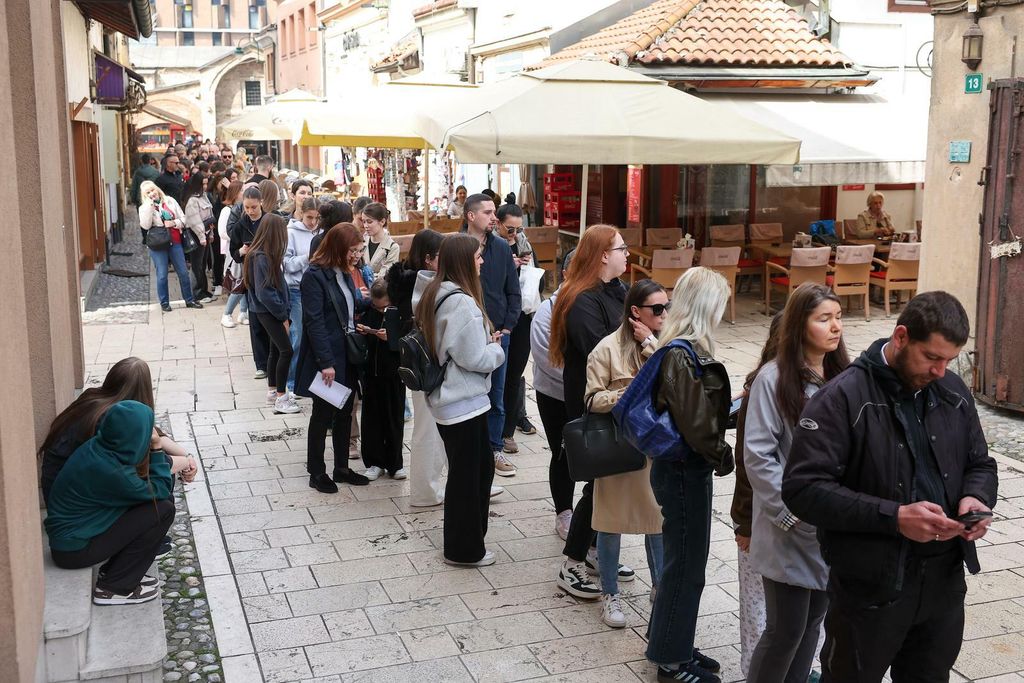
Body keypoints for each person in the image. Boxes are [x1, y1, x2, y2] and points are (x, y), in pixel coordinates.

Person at [783, 291, 999, 683]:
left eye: (949, 360)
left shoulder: (951, 390)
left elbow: (980, 463)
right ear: (900, 337)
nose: (940, 370)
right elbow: (803, 490)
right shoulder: (841, 399)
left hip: (943, 581)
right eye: (932, 357)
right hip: (870, 587)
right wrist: (895, 517)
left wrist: (975, 497)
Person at [744, 284, 849, 682]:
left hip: (830, 518)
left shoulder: (844, 375)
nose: (835, 326)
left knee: (813, 623)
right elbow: (757, 455)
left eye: (838, 317)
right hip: (789, 522)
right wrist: (790, 513)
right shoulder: (773, 379)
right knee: (785, 627)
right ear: (798, 323)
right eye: (824, 318)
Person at [644, 267, 734, 683]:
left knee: (684, 564)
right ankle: (671, 663)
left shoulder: (680, 349)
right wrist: (723, 455)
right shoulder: (683, 353)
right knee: (684, 566)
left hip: (680, 469)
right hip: (683, 471)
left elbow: (697, 414)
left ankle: (674, 643)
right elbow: (697, 426)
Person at [549, 224, 629, 600]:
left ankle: (596, 550)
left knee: (609, 481)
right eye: (621, 248)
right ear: (602, 255)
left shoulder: (616, 290)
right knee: (599, 482)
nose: (627, 254)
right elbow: (604, 349)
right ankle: (572, 562)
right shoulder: (581, 299)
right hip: (594, 400)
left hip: (617, 398)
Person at [416, 233, 505, 566]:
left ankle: (464, 545)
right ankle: (464, 550)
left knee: (468, 474)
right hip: (462, 402)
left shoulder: (435, 291)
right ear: (465, 262)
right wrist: (495, 349)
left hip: (448, 400)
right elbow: (473, 357)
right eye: (478, 257)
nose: (482, 262)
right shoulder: (462, 302)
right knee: (471, 478)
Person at [585, 279, 668, 628]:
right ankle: (609, 592)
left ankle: (661, 587)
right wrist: (626, 395)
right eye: (658, 309)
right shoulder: (606, 349)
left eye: (667, 307)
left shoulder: (665, 344)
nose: (665, 315)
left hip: (655, 447)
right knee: (610, 523)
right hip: (618, 451)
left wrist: (652, 348)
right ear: (636, 311)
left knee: (658, 522)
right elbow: (591, 399)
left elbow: (678, 383)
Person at [45, 401, 180, 605]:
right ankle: (113, 589)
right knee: (163, 508)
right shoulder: (113, 471)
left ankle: (116, 573)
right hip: (74, 550)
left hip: (76, 536)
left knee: (160, 504)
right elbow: (159, 490)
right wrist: (156, 448)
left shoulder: (100, 446)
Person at [39, 357, 196, 506]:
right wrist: (185, 463)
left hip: (64, 490)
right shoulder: (106, 418)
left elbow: (154, 434)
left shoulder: (94, 398)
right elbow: (145, 467)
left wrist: (185, 455)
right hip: (72, 500)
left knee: (161, 477)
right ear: (144, 391)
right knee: (161, 489)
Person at [295, 224, 371, 491]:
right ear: (338, 248)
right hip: (328, 357)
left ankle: (342, 468)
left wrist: (376, 300)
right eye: (352, 250)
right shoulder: (314, 277)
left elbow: (348, 305)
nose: (356, 256)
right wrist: (326, 363)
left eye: (359, 251)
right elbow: (314, 322)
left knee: (345, 411)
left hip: (347, 354)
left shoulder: (345, 272)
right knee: (323, 414)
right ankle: (316, 472)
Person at [731, 313, 783, 678]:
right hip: (762, 521)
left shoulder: (830, 385)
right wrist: (745, 523)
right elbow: (748, 465)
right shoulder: (762, 389)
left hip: (808, 528)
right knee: (759, 612)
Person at [462, 193, 522, 477]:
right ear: (471, 216)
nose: (494, 217)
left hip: (499, 333)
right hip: (466, 333)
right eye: (487, 212)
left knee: (496, 395)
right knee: (469, 393)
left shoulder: (500, 248)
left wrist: (508, 325)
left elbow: (513, 290)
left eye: (493, 212)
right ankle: (470, 450)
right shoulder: (456, 246)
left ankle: (494, 449)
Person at [390, 229, 447, 506]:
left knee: (434, 425)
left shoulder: (408, 280)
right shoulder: (421, 284)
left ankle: (434, 485)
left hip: (419, 361)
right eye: (441, 256)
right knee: (426, 426)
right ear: (428, 259)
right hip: (424, 362)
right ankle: (425, 491)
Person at [243, 213, 300, 415]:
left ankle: (274, 391)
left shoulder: (263, 254)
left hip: (267, 310)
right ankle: (281, 397)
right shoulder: (261, 257)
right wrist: (283, 314)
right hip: (268, 311)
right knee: (286, 351)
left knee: (276, 350)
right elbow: (265, 291)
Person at [530, 288, 573, 539]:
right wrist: (585, 382)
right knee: (562, 453)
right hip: (555, 394)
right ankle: (564, 511)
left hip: (595, 392)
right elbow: (546, 358)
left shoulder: (600, 300)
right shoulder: (548, 311)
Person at [496, 200, 537, 455]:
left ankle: (508, 430)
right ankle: (497, 430)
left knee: (514, 376)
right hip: (501, 317)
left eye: (519, 229)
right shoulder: (492, 247)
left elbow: (534, 276)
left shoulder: (524, 244)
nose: (515, 234)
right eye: (510, 229)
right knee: (498, 377)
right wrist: (509, 267)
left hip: (523, 315)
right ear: (498, 224)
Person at [357, 279, 407, 480]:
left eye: (384, 306)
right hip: (371, 374)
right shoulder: (368, 312)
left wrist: (392, 338)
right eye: (377, 307)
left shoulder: (399, 314)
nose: (381, 310)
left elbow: (408, 341)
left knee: (394, 419)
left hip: (394, 375)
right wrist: (364, 331)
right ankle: (374, 462)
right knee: (371, 420)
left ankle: (395, 463)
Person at [138, 180, 202, 313]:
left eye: (152, 190)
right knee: (162, 274)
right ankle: (164, 303)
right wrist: (150, 207)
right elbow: (145, 225)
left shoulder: (170, 201)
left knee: (183, 272)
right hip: (158, 243)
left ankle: (189, 300)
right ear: (144, 196)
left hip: (175, 240)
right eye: (147, 193)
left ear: (157, 189)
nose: (151, 194)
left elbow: (184, 219)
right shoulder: (144, 208)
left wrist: (173, 223)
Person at [283, 197, 320, 391]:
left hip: (315, 289)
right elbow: (287, 264)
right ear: (301, 214)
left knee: (314, 334)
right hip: (296, 289)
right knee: (297, 335)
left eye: (316, 218)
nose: (313, 222)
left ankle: (308, 377)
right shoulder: (291, 233)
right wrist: (308, 258)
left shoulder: (321, 232)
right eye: (309, 217)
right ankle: (292, 380)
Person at [183, 171, 215, 303]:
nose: (206, 186)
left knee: (202, 265)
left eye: (207, 183)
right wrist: (202, 237)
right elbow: (194, 221)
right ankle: (197, 293)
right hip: (197, 236)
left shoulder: (204, 197)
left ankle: (204, 290)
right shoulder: (192, 200)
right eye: (203, 184)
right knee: (197, 265)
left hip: (206, 234)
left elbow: (210, 215)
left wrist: (210, 234)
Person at [219, 180, 247, 328]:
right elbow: (222, 232)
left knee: (244, 282)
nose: (244, 193)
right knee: (238, 282)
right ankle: (227, 314)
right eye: (242, 190)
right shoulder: (227, 210)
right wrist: (239, 239)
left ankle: (243, 312)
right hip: (235, 250)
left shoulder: (245, 209)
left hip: (244, 250)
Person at [361, 202, 400, 278]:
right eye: (363, 221)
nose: (365, 226)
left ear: (382, 222)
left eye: (369, 222)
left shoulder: (392, 247)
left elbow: (385, 276)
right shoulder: (362, 242)